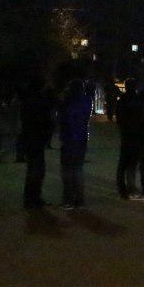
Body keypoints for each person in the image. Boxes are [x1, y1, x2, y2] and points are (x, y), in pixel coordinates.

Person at [56, 78, 93, 210]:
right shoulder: (87, 101)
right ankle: (79, 199)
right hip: (81, 138)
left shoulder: (68, 102)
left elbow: (63, 118)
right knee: (78, 169)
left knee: (68, 170)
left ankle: (68, 199)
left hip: (69, 139)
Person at [19, 77, 55, 208]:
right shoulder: (37, 101)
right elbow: (42, 119)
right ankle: (33, 198)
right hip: (35, 138)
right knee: (37, 169)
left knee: (34, 169)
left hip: (31, 138)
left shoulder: (29, 100)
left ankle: (32, 198)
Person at [115, 79, 143, 199]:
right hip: (136, 135)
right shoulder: (138, 100)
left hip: (126, 135)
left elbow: (119, 118)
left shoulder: (122, 100)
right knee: (132, 164)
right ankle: (131, 189)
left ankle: (122, 189)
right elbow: (142, 117)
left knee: (123, 164)